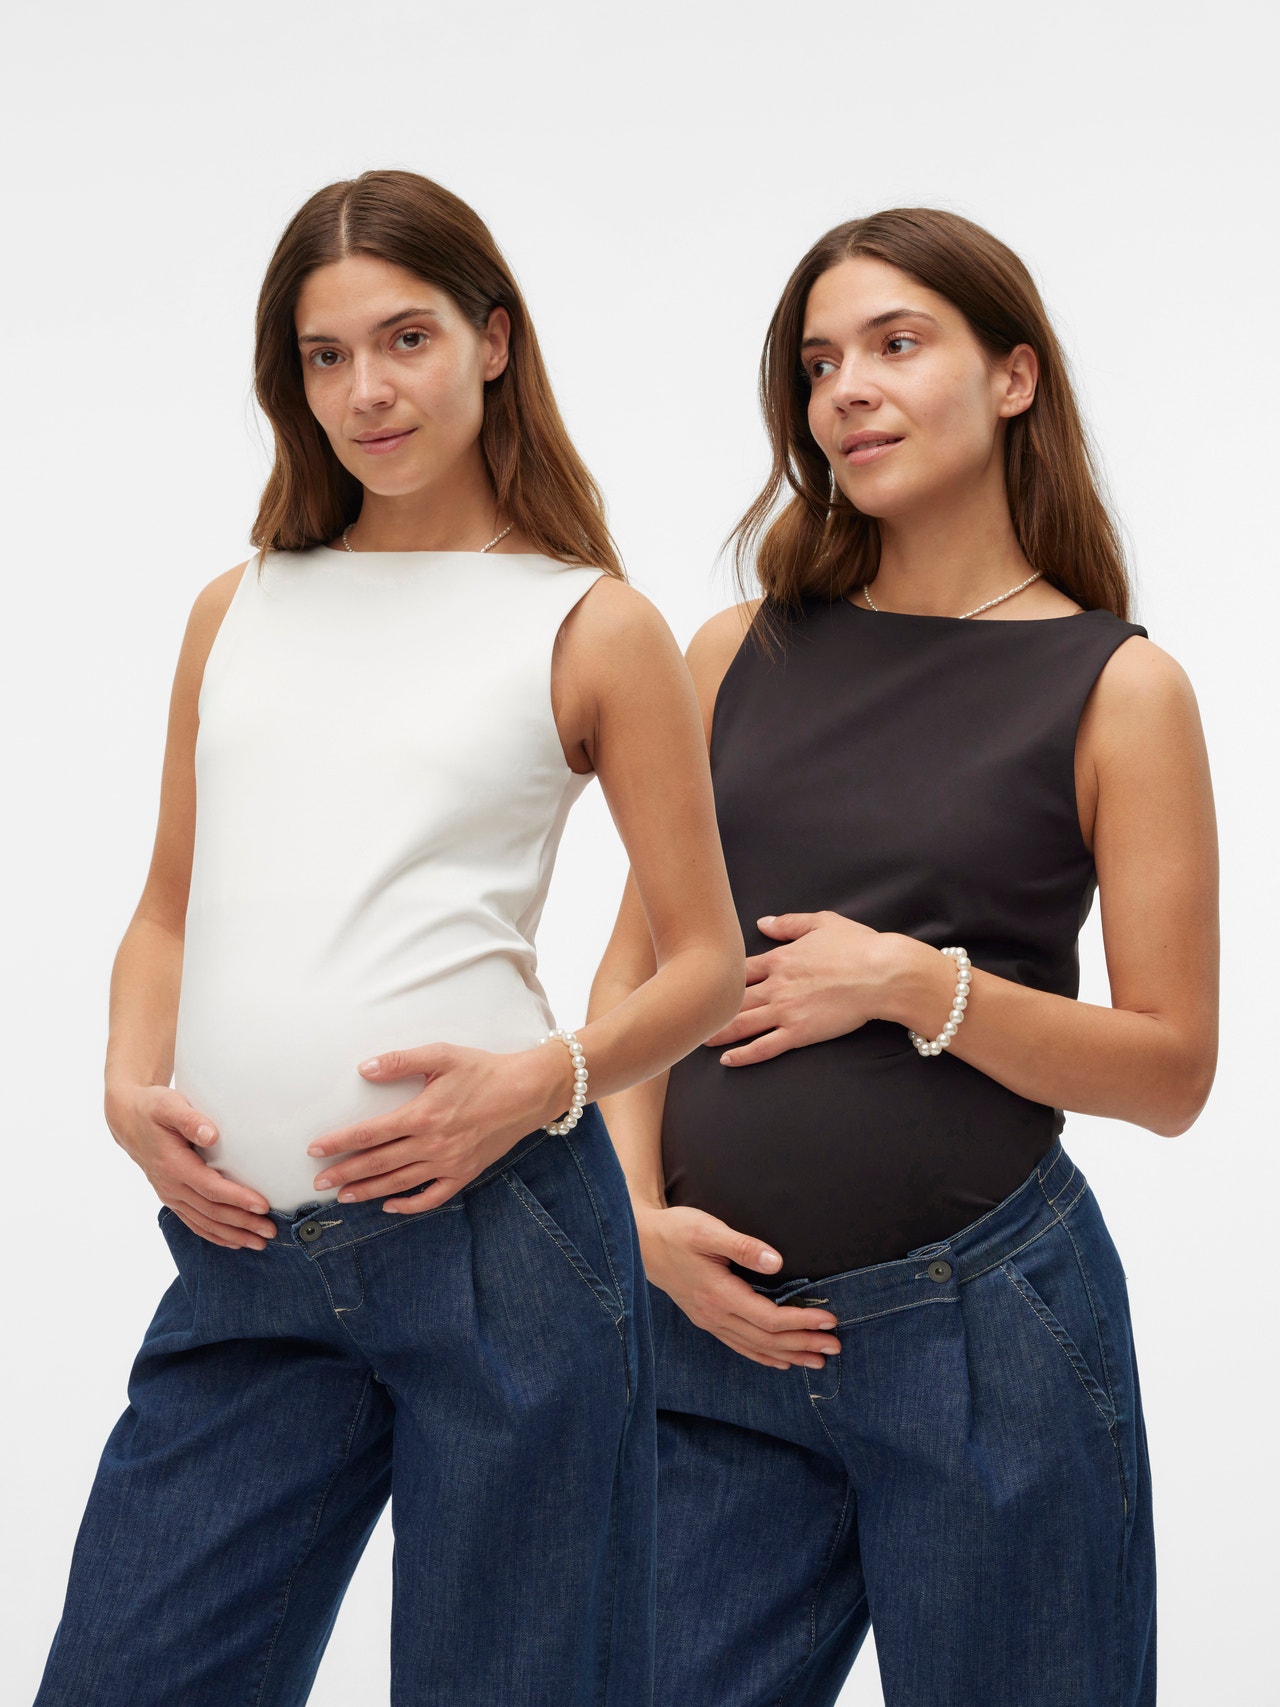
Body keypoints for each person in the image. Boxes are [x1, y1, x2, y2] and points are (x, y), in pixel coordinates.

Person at [36, 169, 742, 1707]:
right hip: (244, 1259)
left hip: (502, 1242)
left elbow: (707, 961)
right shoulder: (238, 607)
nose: (367, 389)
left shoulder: (590, 623)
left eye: (405, 338)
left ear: (494, 341)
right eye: (326, 355)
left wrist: (537, 1083)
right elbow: (165, 908)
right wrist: (125, 1089)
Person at [590, 208, 1218, 1707]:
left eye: (895, 344)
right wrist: (634, 1219)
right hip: (714, 1339)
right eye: (819, 365)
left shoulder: (1119, 689)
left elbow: (1172, 1073)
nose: (848, 391)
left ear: (1014, 376)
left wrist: (912, 986)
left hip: (984, 1340)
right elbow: (632, 982)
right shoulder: (732, 652)